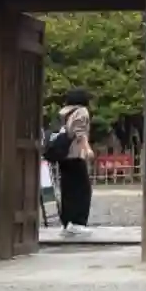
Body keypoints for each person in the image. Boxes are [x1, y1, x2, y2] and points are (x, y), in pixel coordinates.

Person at [57, 88, 94, 234]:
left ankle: (66, 222)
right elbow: (80, 132)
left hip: (63, 155)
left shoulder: (64, 112)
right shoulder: (81, 111)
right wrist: (87, 149)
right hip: (75, 154)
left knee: (67, 189)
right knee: (82, 189)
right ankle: (78, 222)